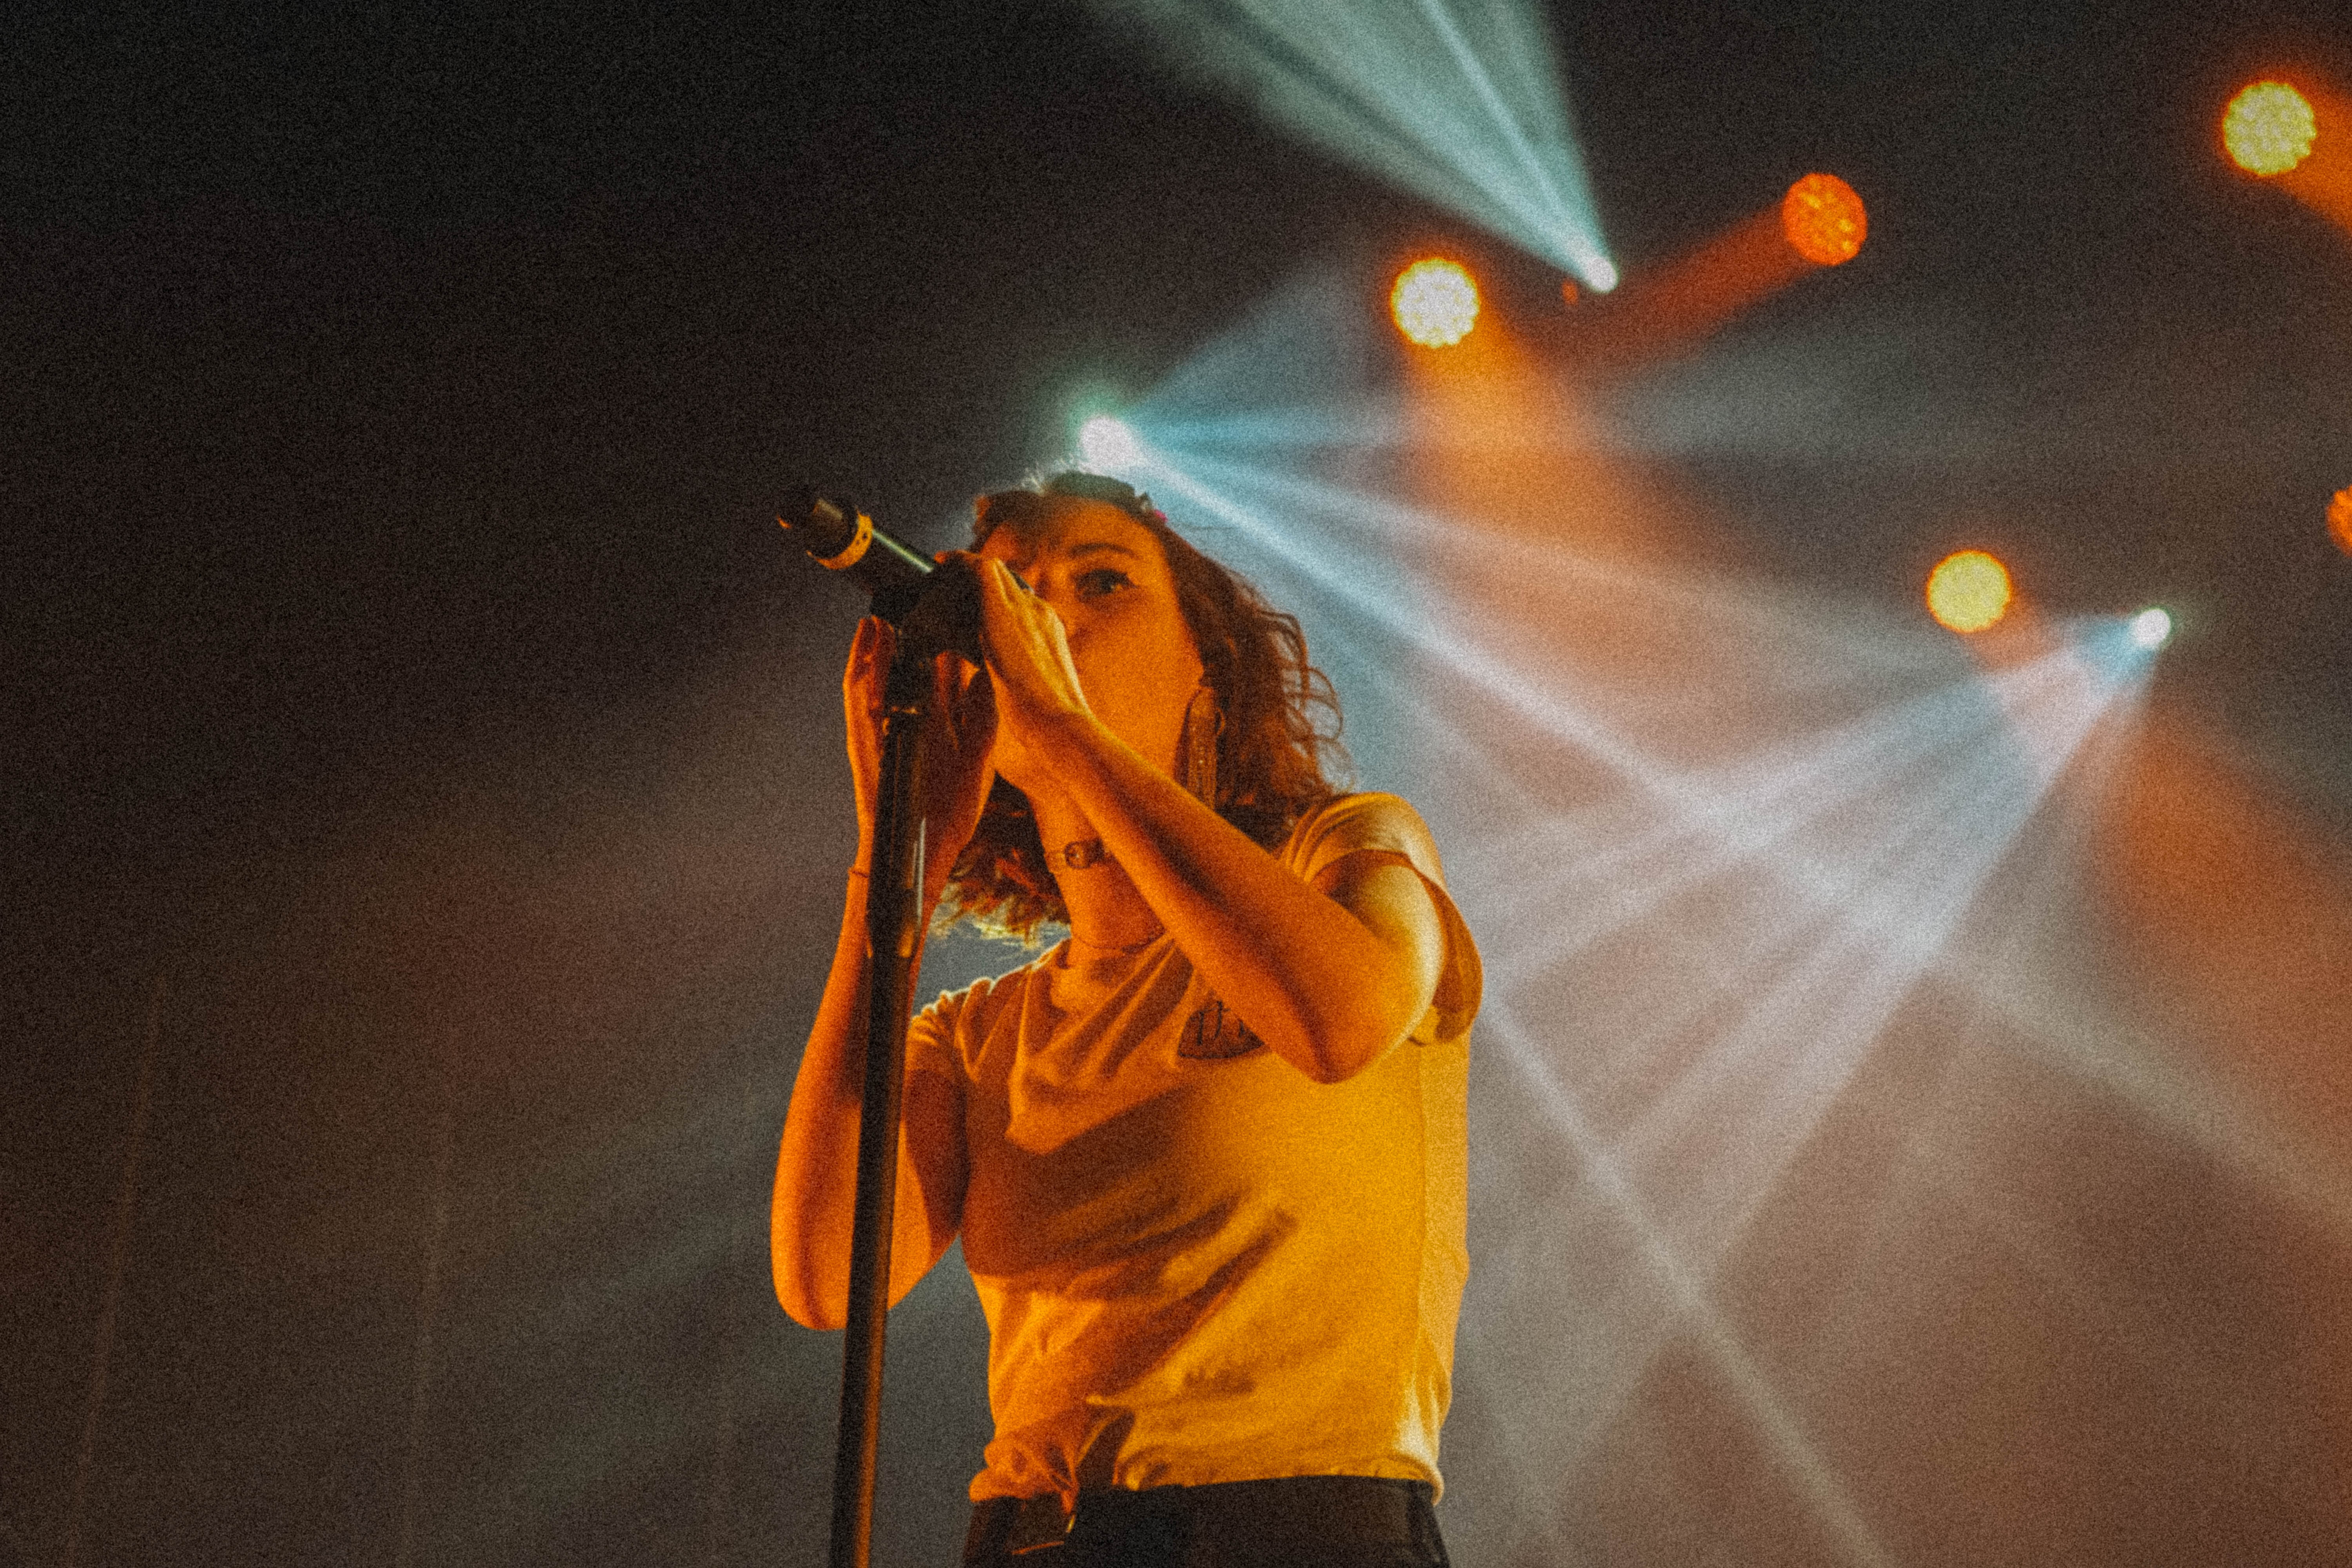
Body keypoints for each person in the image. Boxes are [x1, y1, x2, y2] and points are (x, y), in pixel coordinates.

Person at [773, 472, 1481, 1567]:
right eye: (1016, 592)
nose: (1046, 618)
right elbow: (826, 1277)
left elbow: (1342, 1021)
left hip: (1294, 1532)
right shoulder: (980, 1032)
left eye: (1102, 582)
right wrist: (896, 851)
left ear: (1210, 666)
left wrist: (1063, 724)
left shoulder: (1347, 854)